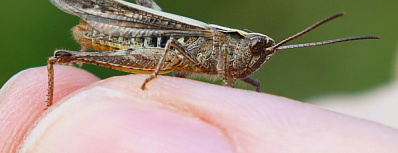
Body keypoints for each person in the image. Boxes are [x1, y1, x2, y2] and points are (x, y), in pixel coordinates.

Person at [1, 65, 398, 152]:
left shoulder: (246, 73)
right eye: (257, 49)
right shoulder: (214, 45)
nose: (257, 61)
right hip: (152, 42)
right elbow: (175, 52)